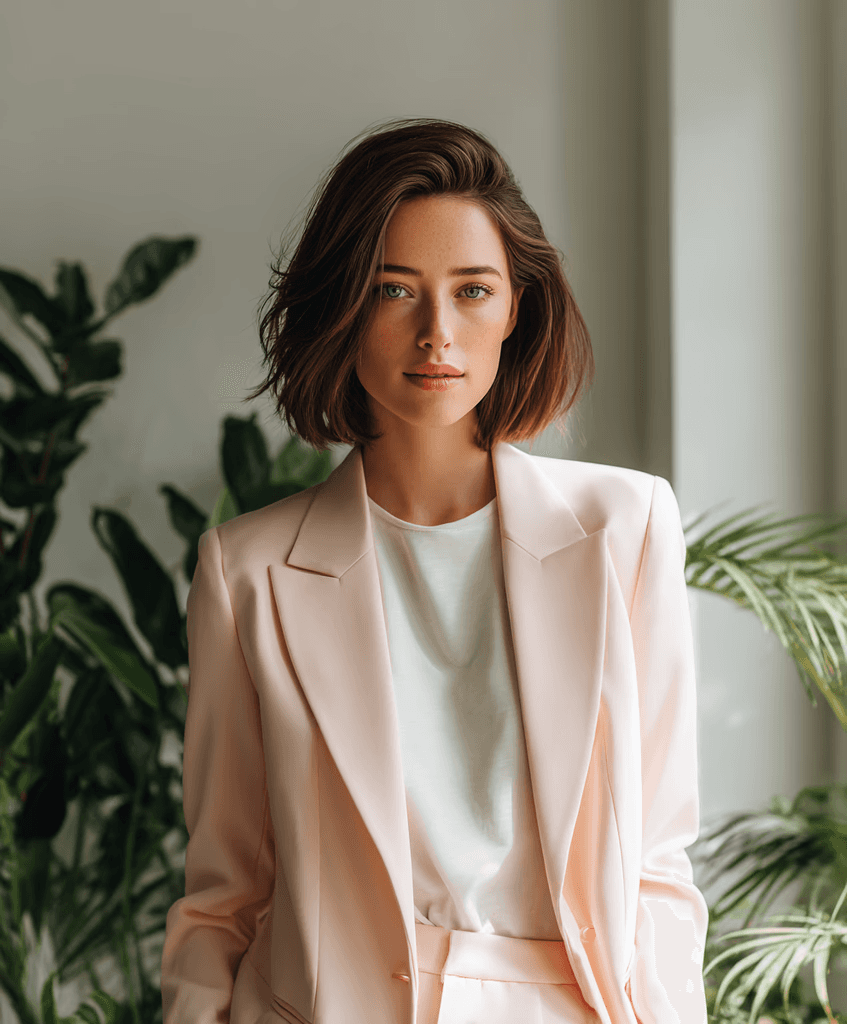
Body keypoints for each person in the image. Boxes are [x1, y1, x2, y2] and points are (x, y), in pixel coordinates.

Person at [160, 117, 709, 1024]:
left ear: (516, 308)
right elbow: (224, 896)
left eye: (472, 290)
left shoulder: (626, 526)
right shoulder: (246, 573)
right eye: (393, 290)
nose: (436, 334)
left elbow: (657, 861)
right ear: (343, 305)